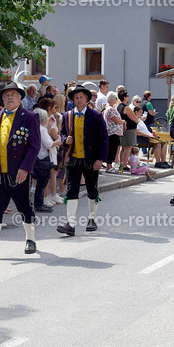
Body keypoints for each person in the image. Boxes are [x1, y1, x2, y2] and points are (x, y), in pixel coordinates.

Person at [0, 81, 41, 261]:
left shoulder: (29, 117)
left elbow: (34, 146)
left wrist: (25, 168)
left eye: (13, 94)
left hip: (18, 172)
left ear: (20, 98)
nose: (9, 97)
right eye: (6, 95)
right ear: (2, 99)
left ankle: (30, 239)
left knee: (25, 207)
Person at [58, 84, 108, 236]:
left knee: (92, 189)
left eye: (81, 97)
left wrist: (100, 159)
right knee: (71, 189)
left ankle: (92, 218)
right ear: (73, 99)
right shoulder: (67, 116)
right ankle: (70, 224)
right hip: (73, 158)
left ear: (87, 99)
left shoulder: (96, 116)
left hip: (91, 159)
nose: (78, 100)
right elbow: (61, 134)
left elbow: (104, 140)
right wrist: (65, 139)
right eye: (76, 98)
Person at [33, 108, 58, 212]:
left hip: (35, 157)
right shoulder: (41, 129)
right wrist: (58, 142)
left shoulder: (33, 127)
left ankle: (38, 203)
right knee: (42, 183)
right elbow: (48, 144)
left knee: (39, 183)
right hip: (42, 158)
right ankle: (39, 204)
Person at [116, 90, 139, 173]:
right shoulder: (126, 108)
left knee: (123, 149)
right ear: (125, 97)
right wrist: (137, 119)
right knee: (127, 148)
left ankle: (121, 166)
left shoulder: (119, 106)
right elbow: (135, 119)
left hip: (123, 129)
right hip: (129, 130)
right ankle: (124, 166)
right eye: (127, 96)